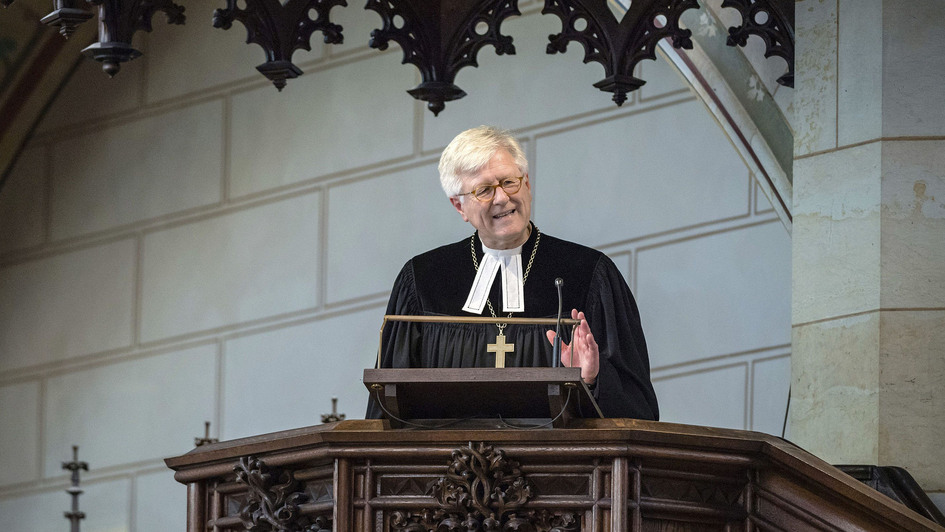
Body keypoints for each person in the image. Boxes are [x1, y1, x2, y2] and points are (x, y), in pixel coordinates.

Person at [366, 126, 658, 420]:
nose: (502, 198)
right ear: (459, 206)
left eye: (509, 182)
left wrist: (593, 379)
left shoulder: (589, 274)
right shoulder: (423, 280)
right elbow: (386, 411)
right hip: (451, 465)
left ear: (527, 184)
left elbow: (639, 411)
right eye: (483, 190)